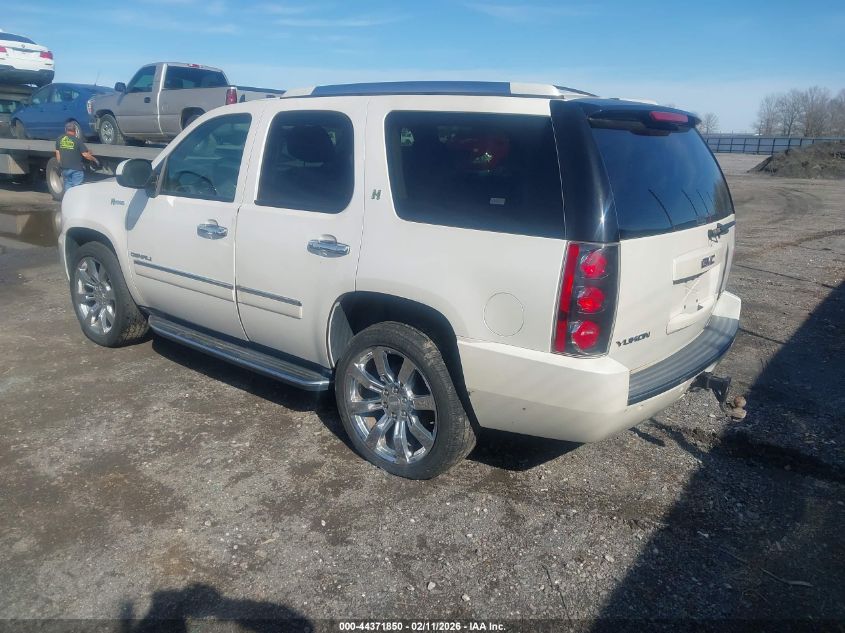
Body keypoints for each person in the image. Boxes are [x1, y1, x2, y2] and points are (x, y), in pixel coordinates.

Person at [55, 123, 98, 191]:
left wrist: (60, 165)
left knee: (68, 189)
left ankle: (69, 200)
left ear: (65, 129)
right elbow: (85, 154)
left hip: (65, 169)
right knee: (77, 190)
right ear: (75, 130)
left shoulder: (59, 139)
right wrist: (95, 160)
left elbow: (58, 153)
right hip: (76, 170)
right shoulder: (77, 140)